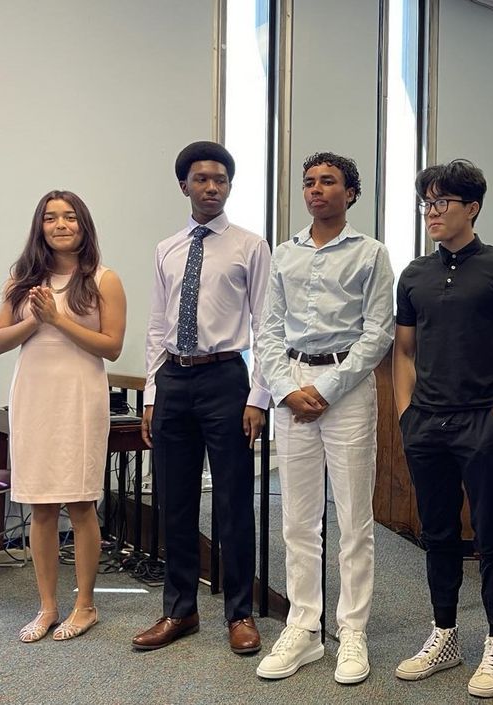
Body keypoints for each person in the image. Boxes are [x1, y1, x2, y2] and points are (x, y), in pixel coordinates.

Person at [393, 160, 493, 698]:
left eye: (442, 202)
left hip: (480, 422)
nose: (432, 211)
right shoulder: (414, 275)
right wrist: (406, 412)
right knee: (439, 535)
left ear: (472, 207)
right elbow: (403, 351)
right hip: (425, 423)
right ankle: (445, 633)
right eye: (427, 202)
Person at [256, 152, 394, 684]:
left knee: (354, 520)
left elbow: (378, 332)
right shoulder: (284, 255)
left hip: (349, 392)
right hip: (293, 390)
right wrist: (288, 389)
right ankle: (304, 627)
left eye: (328, 182)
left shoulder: (371, 253)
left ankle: (352, 631)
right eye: (310, 182)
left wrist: (329, 388)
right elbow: (266, 331)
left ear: (350, 193)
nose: (316, 190)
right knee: (298, 518)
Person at [132, 141, 271, 654]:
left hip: (226, 380)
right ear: (184, 185)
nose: (211, 187)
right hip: (173, 379)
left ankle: (240, 614)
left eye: (221, 180)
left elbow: (266, 324)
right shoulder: (167, 248)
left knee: (234, 501)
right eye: (202, 179)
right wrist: (150, 394)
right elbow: (155, 325)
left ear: (229, 186)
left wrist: (258, 396)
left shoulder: (249, 246)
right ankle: (180, 610)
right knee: (175, 501)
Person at [0, 190, 126, 642]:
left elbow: (111, 346)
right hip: (35, 396)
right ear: (40, 226)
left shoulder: (103, 279)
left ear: (82, 225)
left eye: (69, 217)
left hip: (79, 397)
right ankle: (48, 607)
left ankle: (85, 605)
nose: (60, 224)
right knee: (41, 505)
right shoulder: (22, 278)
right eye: (50, 218)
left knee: (80, 502)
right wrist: (35, 321)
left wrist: (56, 318)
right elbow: (1, 339)